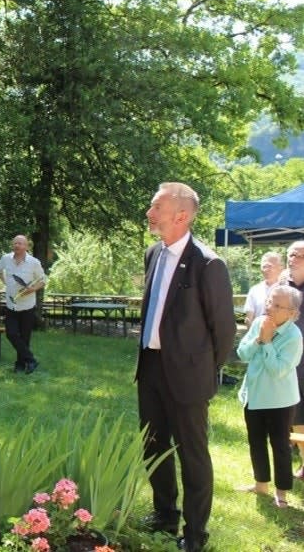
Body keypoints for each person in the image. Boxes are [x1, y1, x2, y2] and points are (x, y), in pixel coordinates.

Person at [136, 182, 236, 552]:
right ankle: (164, 514)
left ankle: (195, 533)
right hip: (150, 368)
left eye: (155, 207)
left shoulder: (209, 264)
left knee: (192, 454)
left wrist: (206, 372)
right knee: (154, 446)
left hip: (189, 376)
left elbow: (223, 330)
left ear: (181, 215)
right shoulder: (152, 254)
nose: (149, 213)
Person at [236, 285, 302, 508]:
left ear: (292, 314)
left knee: (280, 445)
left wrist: (266, 341)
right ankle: (260, 484)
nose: (269, 308)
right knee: (256, 442)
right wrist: (258, 339)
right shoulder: (258, 323)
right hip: (253, 395)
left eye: (277, 305)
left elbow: (278, 370)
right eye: (269, 302)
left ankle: (281, 492)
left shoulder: (294, 336)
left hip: (279, 400)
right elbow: (242, 353)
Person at [0, 235, 47, 374]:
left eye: (20, 243)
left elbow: (42, 280)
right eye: (15, 243)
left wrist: (32, 289)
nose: (17, 245)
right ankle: (31, 360)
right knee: (11, 333)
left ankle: (20, 365)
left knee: (24, 337)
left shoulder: (34, 262)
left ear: (26, 246)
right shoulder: (6, 259)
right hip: (11, 304)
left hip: (27, 305)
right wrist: (5, 282)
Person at [283, 241, 304, 477]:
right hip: (286, 363)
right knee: (296, 415)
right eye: (291, 254)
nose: (294, 258)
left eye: (300, 255)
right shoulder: (283, 286)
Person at [243, 252, 284, 326]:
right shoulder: (254, 290)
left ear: (280, 268)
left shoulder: (287, 289)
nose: (266, 269)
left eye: (270, 266)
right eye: (264, 266)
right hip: (258, 334)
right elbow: (249, 318)